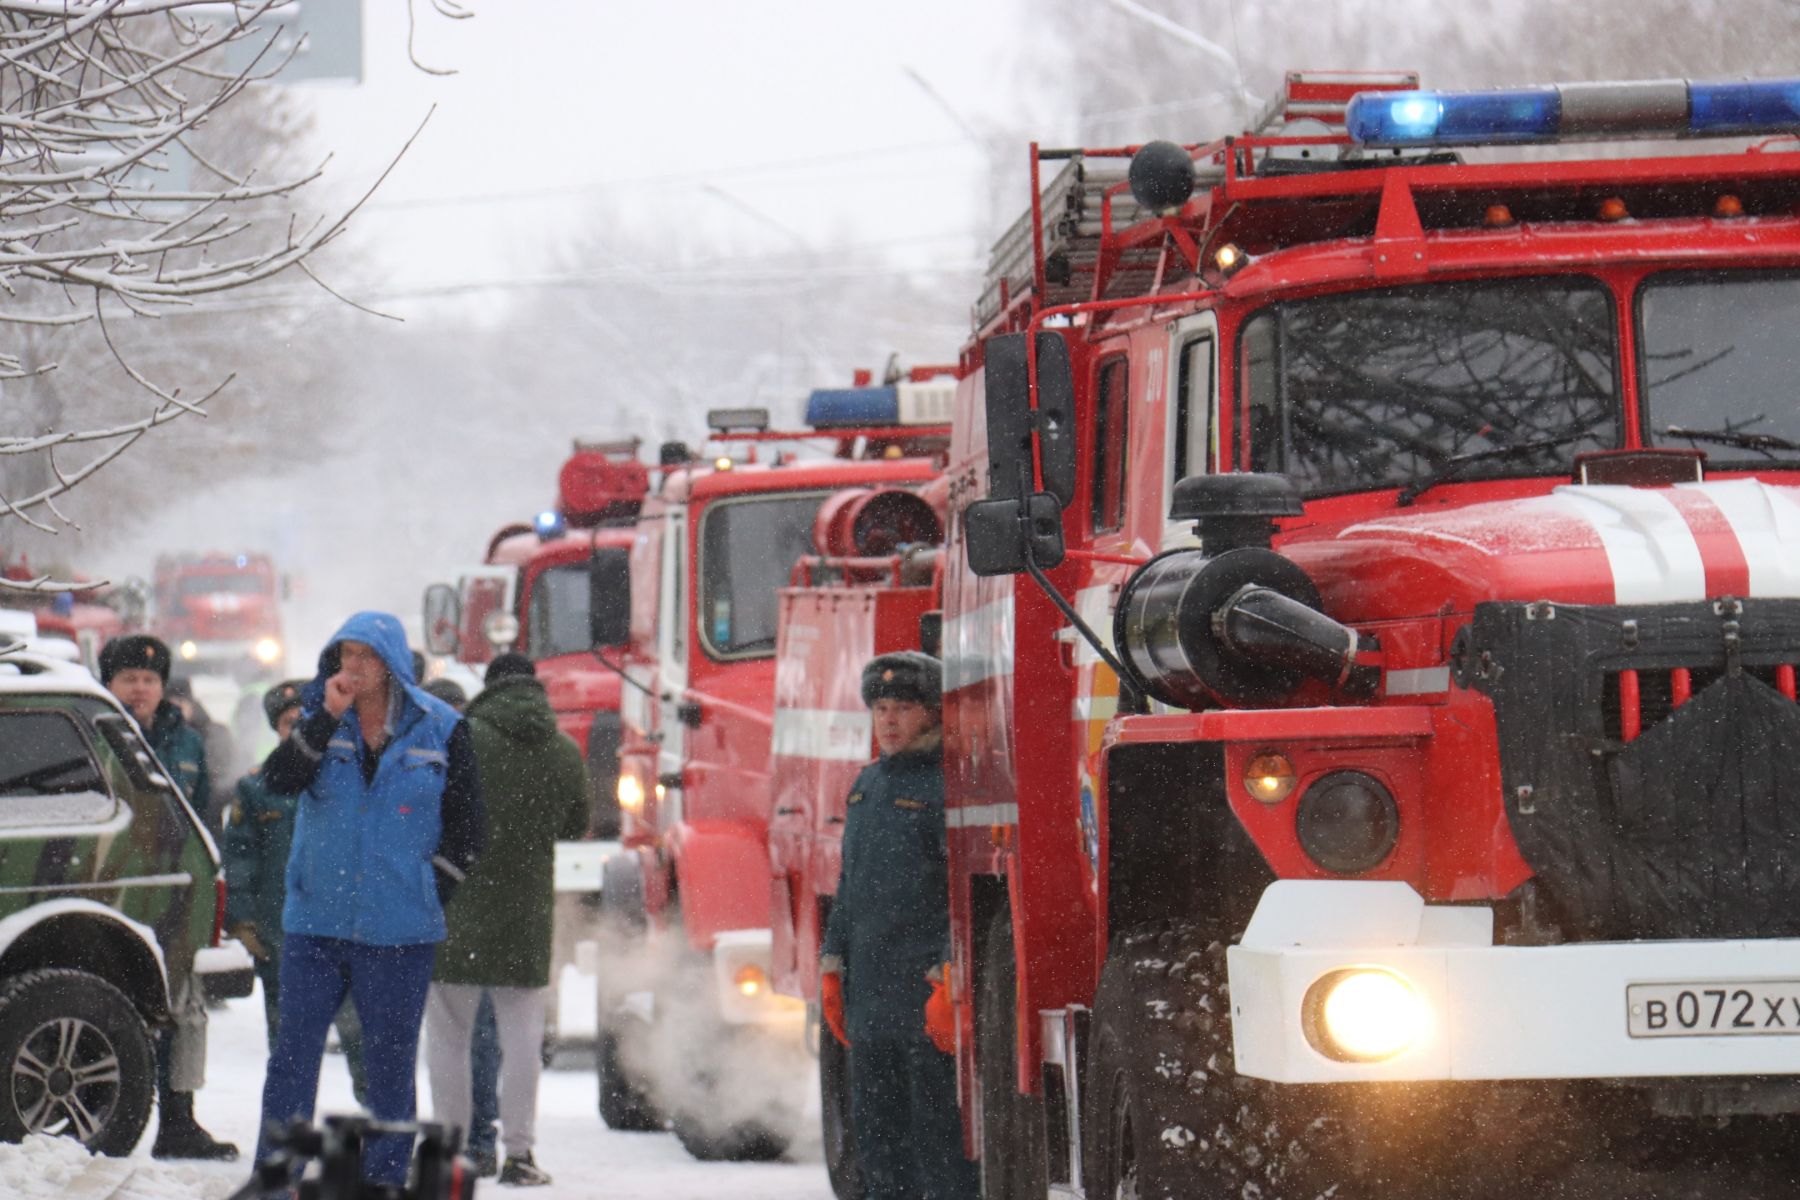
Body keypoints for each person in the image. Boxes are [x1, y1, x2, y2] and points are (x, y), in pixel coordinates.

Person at [251, 612, 486, 1191]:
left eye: (365, 656)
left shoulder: (443, 729)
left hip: (400, 932)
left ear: (392, 665)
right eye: (344, 655)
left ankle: (383, 1178)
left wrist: (431, 886)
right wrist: (324, 717)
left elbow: (468, 827)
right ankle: (277, 1177)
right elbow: (277, 781)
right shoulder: (317, 722)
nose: (352, 668)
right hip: (316, 924)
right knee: (292, 1061)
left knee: (389, 1067)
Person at [424, 653, 588, 1187]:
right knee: (523, 1044)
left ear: (489, 687)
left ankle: (453, 1152)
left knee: (449, 1037)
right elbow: (576, 824)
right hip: (526, 916)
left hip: (458, 907)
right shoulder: (563, 750)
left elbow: (433, 813)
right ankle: (519, 1154)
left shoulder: (462, 738)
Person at [819, 651, 977, 1200]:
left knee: (939, 1145)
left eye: (902, 708)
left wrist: (948, 970)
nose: (888, 721)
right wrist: (833, 964)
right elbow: (850, 886)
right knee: (879, 1147)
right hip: (871, 1005)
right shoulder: (866, 787)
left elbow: (959, 893)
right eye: (880, 708)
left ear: (931, 713)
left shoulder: (946, 788)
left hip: (925, 1002)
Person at [98, 635, 238, 1161]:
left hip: (174, 892)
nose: (140, 689)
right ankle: (102, 1116)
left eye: (149, 680)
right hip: (109, 888)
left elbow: (204, 821)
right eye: (128, 679)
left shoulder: (188, 743)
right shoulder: (96, 732)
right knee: (114, 1006)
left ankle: (179, 1120)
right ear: (108, 683)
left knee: (184, 1008)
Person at [221, 679, 370, 1105]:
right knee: (291, 1051)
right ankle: (289, 1136)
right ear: (277, 730)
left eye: (307, 719)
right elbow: (240, 856)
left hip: (350, 932)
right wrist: (243, 918)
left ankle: (382, 1136)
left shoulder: (352, 777)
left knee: (364, 1044)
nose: (299, 729)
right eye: (290, 723)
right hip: (282, 935)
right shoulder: (258, 786)